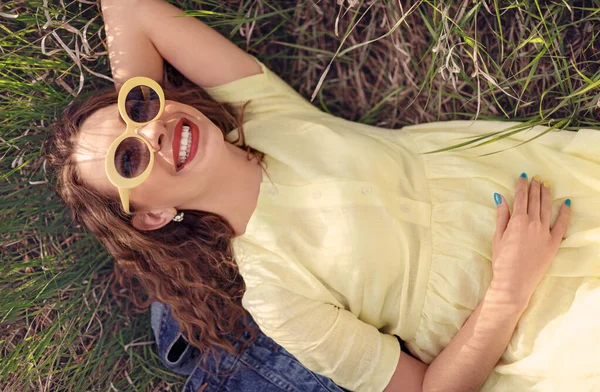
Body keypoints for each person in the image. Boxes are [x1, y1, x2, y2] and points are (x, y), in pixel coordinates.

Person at [43, 0, 600, 391]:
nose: (153, 130)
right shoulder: (276, 296)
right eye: (129, 160)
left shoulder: (265, 118)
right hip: (534, 322)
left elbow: (129, 8)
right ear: (154, 216)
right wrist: (509, 289)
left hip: (544, 186)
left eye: (140, 110)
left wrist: (138, 115)